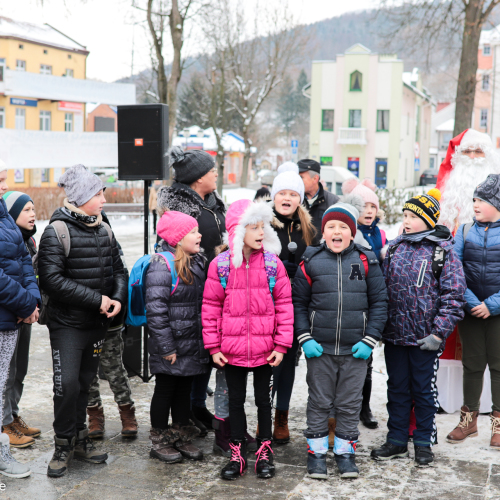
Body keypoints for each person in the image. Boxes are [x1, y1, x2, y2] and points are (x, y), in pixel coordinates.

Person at [38, 165, 127, 478]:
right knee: (66, 385)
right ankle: (63, 443)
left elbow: (119, 270)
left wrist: (115, 299)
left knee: (85, 384)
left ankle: (80, 439)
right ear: (81, 196)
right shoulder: (56, 231)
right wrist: (97, 300)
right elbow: (50, 280)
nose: (103, 198)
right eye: (98, 193)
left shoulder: (104, 228)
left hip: (97, 325)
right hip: (67, 326)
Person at [293, 201, 387, 479]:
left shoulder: (366, 260)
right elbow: (298, 303)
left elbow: (380, 303)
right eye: (331, 226)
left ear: (352, 232)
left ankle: (345, 452)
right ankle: (317, 453)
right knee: (319, 402)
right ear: (323, 232)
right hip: (318, 349)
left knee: (349, 403)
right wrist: (305, 338)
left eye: (343, 227)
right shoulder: (311, 261)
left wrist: (370, 339)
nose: (337, 231)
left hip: (355, 350)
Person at [371, 189, 466, 467]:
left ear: (428, 220)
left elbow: (454, 296)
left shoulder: (442, 252)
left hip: (426, 339)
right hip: (396, 337)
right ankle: (397, 440)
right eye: (405, 215)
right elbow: (383, 290)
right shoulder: (395, 248)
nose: (407, 220)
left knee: (424, 392)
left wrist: (438, 333)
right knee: (397, 390)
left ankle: (423, 442)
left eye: (413, 216)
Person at [202, 199, 293, 480]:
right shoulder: (221, 265)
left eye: (262, 226)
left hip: (266, 349)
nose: (259, 232)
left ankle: (264, 450)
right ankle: (237, 450)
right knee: (235, 401)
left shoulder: (271, 263)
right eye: (252, 227)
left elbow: (284, 305)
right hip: (232, 350)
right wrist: (213, 347)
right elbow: (210, 307)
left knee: (264, 401)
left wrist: (281, 345)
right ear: (237, 231)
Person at [156, 146, 226, 433]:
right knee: (189, 353)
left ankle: (197, 404)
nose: (216, 173)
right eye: (212, 170)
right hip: (189, 285)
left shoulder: (213, 200)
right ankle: (182, 415)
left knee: (205, 346)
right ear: (198, 178)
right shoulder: (179, 205)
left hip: (214, 282)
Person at [146, 211, 209, 464]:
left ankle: (181, 433)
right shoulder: (161, 266)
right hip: (170, 345)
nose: (199, 234)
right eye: (193, 231)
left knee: (184, 389)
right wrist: (166, 347)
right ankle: (160, 439)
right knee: (165, 390)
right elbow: (156, 311)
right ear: (178, 238)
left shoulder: (196, 261)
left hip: (191, 343)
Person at [446, 174, 500, 449]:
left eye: (482, 200)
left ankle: (499, 425)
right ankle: (469, 422)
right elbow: (454, 270)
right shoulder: (465, 231)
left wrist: (491, 305)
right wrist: (470, 301)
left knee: (499, 366)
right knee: (472, 364)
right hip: (470, 310)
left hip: (498, 314)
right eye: (474, 200)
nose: (475, 205)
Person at [269, 170, 316, 444]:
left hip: (297, 305)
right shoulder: (263, 224)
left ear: (300, 198)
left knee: (287, 363)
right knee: (268, 364)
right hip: (267, 306)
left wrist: (299, 272)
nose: (287, 198)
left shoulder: (309, 227)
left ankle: (281, 416)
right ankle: (265, 414)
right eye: (282, 193)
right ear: (274, 195)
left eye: (293, 194)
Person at [0, 166, 39, 479]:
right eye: (0, 178)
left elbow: (25, 263)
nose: (5, 184)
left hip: (13, 314)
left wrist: (32, 301)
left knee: (12, 375)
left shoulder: (5, 219)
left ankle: (8, 425)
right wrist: (26, 303)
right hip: (9, 312)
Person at [86, 212, 138, 440]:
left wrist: (115, 304)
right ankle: (94, 416)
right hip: (84, 319)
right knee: (87, 373)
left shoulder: (110, 240)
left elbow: (122, 276)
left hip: (111, 318)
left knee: (114, 368)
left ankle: (127, 413)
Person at [342, 178, 387, 430]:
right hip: (351, 300)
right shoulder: (348, 232)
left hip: (371, 300)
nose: (369, 211)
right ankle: (345, 405)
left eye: (373, 206)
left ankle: (364, 407)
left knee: (366, 359)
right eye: (363, 206)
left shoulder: (380, 234)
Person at [298, 159, 339, 237]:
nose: (297, 181)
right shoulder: (294, 200)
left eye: (301, 177)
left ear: (315, 179)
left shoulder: (333, 202)